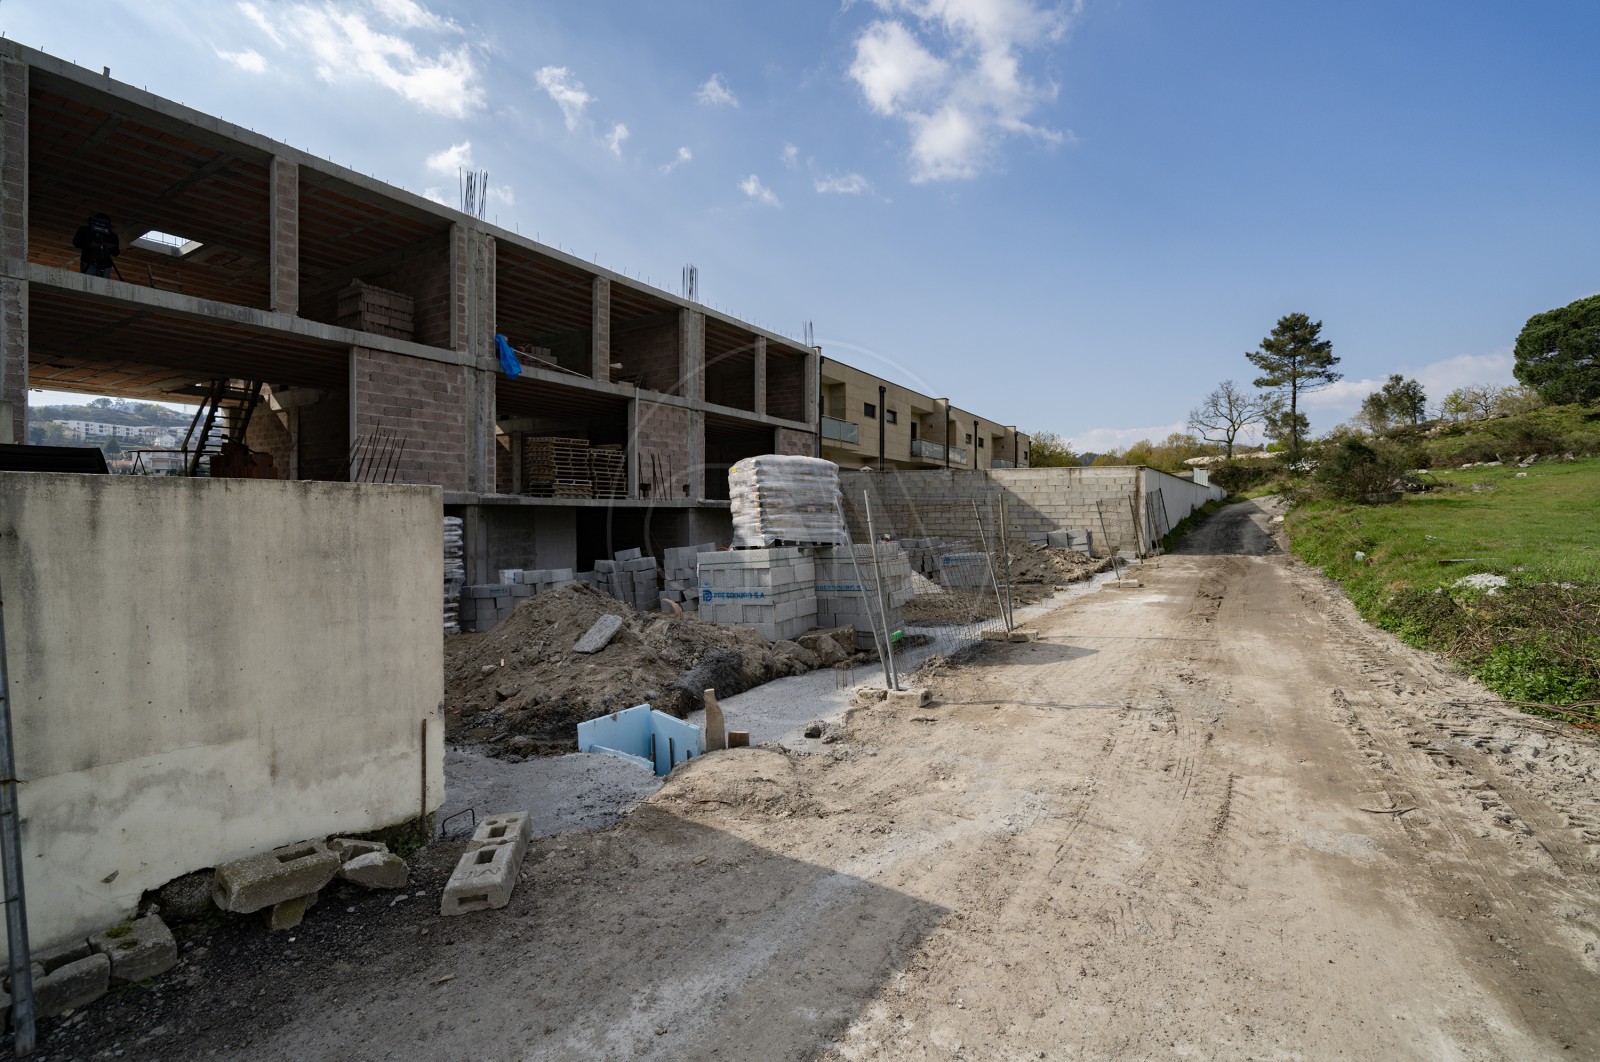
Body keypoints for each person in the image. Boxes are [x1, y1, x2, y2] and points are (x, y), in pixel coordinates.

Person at [73, 213, 120, 277]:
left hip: (105, 264)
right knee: (88, 281)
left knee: (103, 284)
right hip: (88, 260)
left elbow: (116, 252)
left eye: (105, 224)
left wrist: (111, 247)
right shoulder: (85, 230)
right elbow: (76, 243)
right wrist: (89, 245)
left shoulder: (112, 236)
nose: (102, 225)